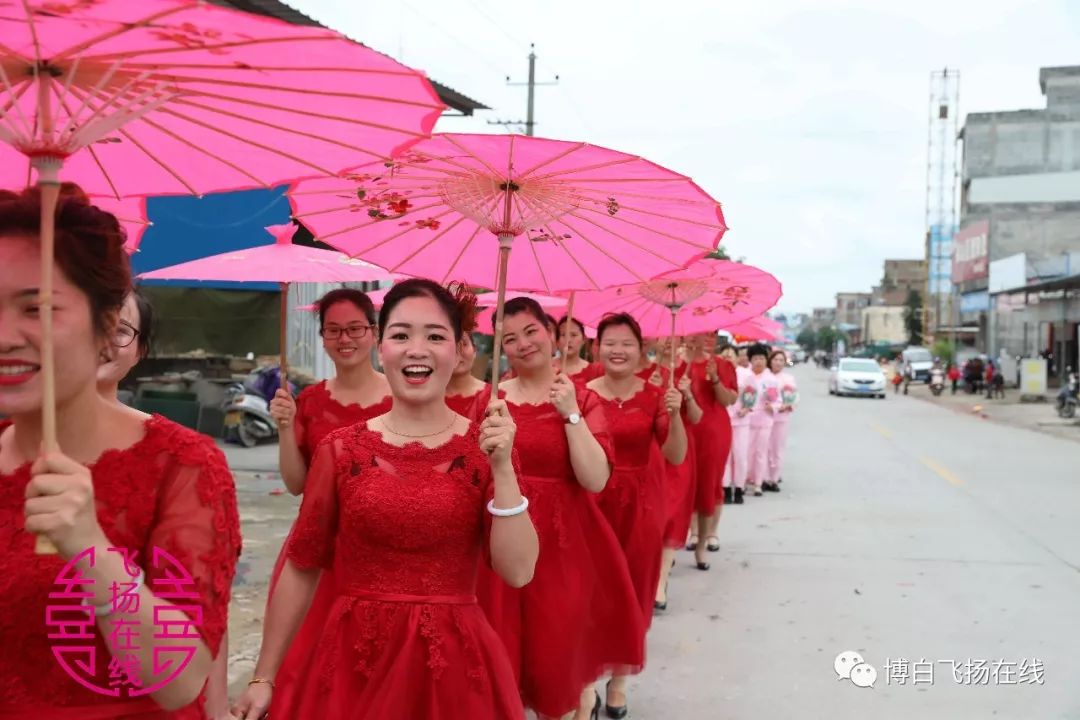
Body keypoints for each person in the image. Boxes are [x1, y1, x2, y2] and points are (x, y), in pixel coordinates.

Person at [233, 279, 538, 720]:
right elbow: (303, 565)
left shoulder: (486, 449)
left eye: (435, 336)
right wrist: (264, 676)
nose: (417, 349)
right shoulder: (340, 451)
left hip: (452, 669)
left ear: (458, 351)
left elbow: (518, 571)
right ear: (382, 348)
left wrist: (504, 467)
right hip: (353, 662)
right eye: (401, 335)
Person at [0, 184, 241, 717]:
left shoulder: (182, 466)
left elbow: (182, 682)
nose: (4, 335)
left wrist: (90, 550)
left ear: (107, 326)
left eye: (36, 307)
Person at [475, 297, 643, 720]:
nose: (523, 344)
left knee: (557, 655)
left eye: (531, 331)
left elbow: (595, 479)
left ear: (552, 333)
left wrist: (570, 414)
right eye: (509, 338)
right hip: (503, 540)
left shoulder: (583, 400)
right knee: (503, 656)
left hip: (564, 546)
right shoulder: (490, 401)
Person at [585, 314, 687, 716]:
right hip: (592, 505)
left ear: (640, 349)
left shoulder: (655, 396)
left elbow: (675, 454)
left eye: (627, 343)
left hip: (641, 508)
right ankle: (587, 677)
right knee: (590, 594)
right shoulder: (579, 394)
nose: (618, 350)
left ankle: (620, 680)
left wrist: (676, 414)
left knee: (634, 594)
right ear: (597, 348)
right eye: (610, 342)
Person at [684, 332, 738, 569]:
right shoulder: (674, 362)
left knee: (709, 482)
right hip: (683, 428)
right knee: (684, 483)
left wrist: (715, 379)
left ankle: (706, 537)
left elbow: (728, 400)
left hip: (713, 430)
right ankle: (691, 531)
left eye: (712, 334)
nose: (706, 337)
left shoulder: (722, 365)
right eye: (701, 333)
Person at [444, 287, 488, 418]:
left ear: (474, 350)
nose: (457, 352)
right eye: (449, 344)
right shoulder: (423, 399)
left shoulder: (495, 397)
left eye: (463, 344)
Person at [745, 343, 780, 496]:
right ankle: (745, 480)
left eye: (761, 358)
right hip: (747, 420)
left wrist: (772, 406)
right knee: (746, 452)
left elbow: (778, 400)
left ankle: (758, 483)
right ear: (750, 360)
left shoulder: (771, 379)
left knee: (760, 452)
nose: (758, 361)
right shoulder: (745, 376)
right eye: (755, 358)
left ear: (766, 360)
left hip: (764, 420)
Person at [725, 343, 754, 504]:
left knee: (740, 455)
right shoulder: (718, 373)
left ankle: (740, 488)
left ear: (737, 357)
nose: (728, 358)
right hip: (724, 419)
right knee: (726, 457)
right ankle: (726, 488)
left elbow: (753, 393)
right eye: (725, 355)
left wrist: (747, 407)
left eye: (731, 355)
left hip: (741, 420)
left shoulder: (745, 374)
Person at [766, 350, 797, 492]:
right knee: (764, 448)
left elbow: (794, 396)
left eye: (781, 360)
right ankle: (762, 477)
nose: (778, 362)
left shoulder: (788, 378)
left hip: (781, 418)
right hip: (765, 417)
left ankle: (774, 478)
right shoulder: (765, 376)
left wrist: (788, 405)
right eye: (775, 359)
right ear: (770, 361)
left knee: (777, 449)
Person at [556, 315, 602, 381]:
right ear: (557, 340)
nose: (568, 340)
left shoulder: (592, 371)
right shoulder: (548, 367)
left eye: (574, 335)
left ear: (583, 339)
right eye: (563, 335)